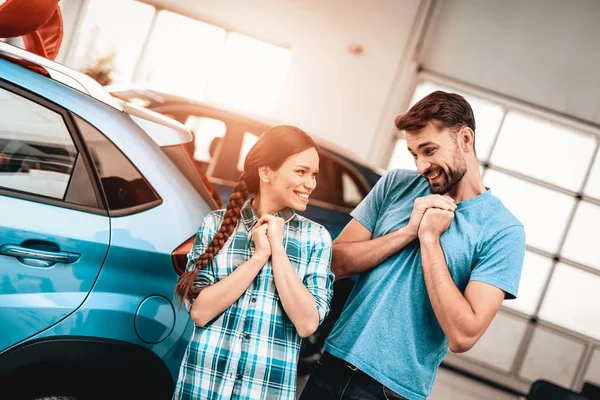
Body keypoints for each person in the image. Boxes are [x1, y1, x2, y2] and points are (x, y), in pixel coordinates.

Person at [300, 91, 526, 400]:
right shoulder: (396, 184)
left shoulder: (503, 231)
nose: (421, 166)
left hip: (391, 391)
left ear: (465, 139)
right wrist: (408, 232)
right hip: (332, 364)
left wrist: (430, 240)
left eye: (429, 150)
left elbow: (463, 335)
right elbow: (334, 263)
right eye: (414, 154)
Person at [172, 125, 335, 400]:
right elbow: (199, 312)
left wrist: (277, 250)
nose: (311, 184)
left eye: (314, 174)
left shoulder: (316, 238)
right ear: (266, 171)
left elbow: (307, 323)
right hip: (201, 387)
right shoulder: (215, 224)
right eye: (301, 171)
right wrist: (258, 257)